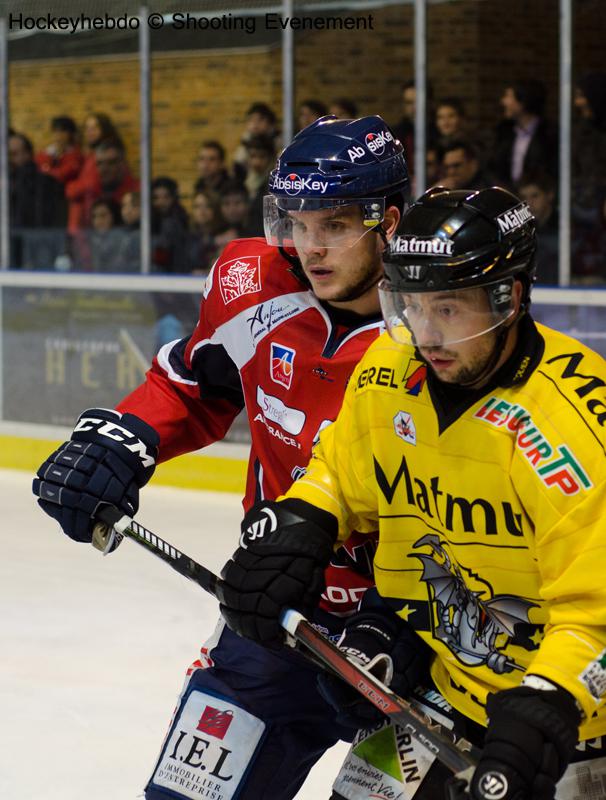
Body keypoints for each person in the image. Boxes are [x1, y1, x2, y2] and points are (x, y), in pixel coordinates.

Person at [32, 114, 414, 800]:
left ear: (388, 222)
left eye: (332, 225)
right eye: (295, 222)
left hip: (406, 642)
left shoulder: (439, 327)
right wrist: (121, 441)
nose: (310, 246)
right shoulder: (252, 281)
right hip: (268, 614)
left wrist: (405, 619)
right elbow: (192, 386)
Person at [218, 186, 606, 800]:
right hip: (438, 699)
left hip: (569, 728)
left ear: (510, 297)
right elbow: (341, 475)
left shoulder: (573, 429)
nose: (424, 334)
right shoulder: (390, 364)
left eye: (448, 309)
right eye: (410, 306)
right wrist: (301, 524)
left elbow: (597, 616)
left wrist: (550, 700)